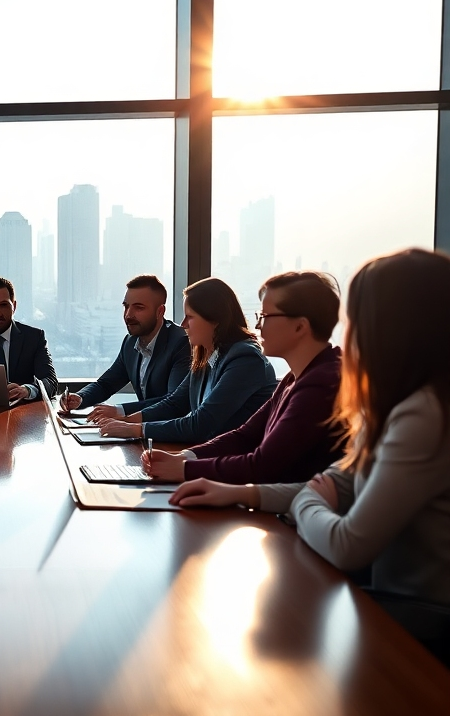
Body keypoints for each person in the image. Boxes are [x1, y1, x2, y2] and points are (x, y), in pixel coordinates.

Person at [170, 249, 450, 605]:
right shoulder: (390, 404)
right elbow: (338, 484)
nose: (351, 334)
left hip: (417, 619)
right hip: (386, 602)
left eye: (357, 320)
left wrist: (304, 501)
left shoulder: (423, 415)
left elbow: (346, 544)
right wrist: (240, 494)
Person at [144, 271, 344, 483]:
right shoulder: (293, 378)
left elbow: (262, 465)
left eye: (265, 316)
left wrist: (185, 469)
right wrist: (184, 457)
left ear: (300, 326)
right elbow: (245, 436)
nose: (257, 326)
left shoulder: (322, 384)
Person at [98, 276, 276, 443]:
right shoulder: (207, 355)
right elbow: (175, 404)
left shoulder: (245, 359)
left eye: (190, 317)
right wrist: (125, 421)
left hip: (237, 460)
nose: (183, 325)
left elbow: (201, 423)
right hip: (210, 454)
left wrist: (136, 430)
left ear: (214, 319)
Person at [60, 274, 190, 423]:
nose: (128, 315)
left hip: (173, 431)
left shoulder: (181, 343)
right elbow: (106, 384)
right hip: (143, 429)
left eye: (138, 308)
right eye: (126, 306)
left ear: (160, 311)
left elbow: (174, 403)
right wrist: (81, 398)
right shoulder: (130, 342)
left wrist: (120, 411)